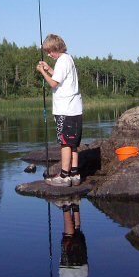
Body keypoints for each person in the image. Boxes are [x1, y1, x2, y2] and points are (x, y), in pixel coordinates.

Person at [36, 34, 83, 187]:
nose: (49, 54)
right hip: (74, 109)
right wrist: (49, 68)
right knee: (73, 143)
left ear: (56, 48)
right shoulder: (67, 59)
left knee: (65, 143)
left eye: (50, 51)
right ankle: (75, 174)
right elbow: (60, 77)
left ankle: (64, 176)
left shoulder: (62, 61)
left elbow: (54, 83)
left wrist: (42, 72)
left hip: (65, 110)